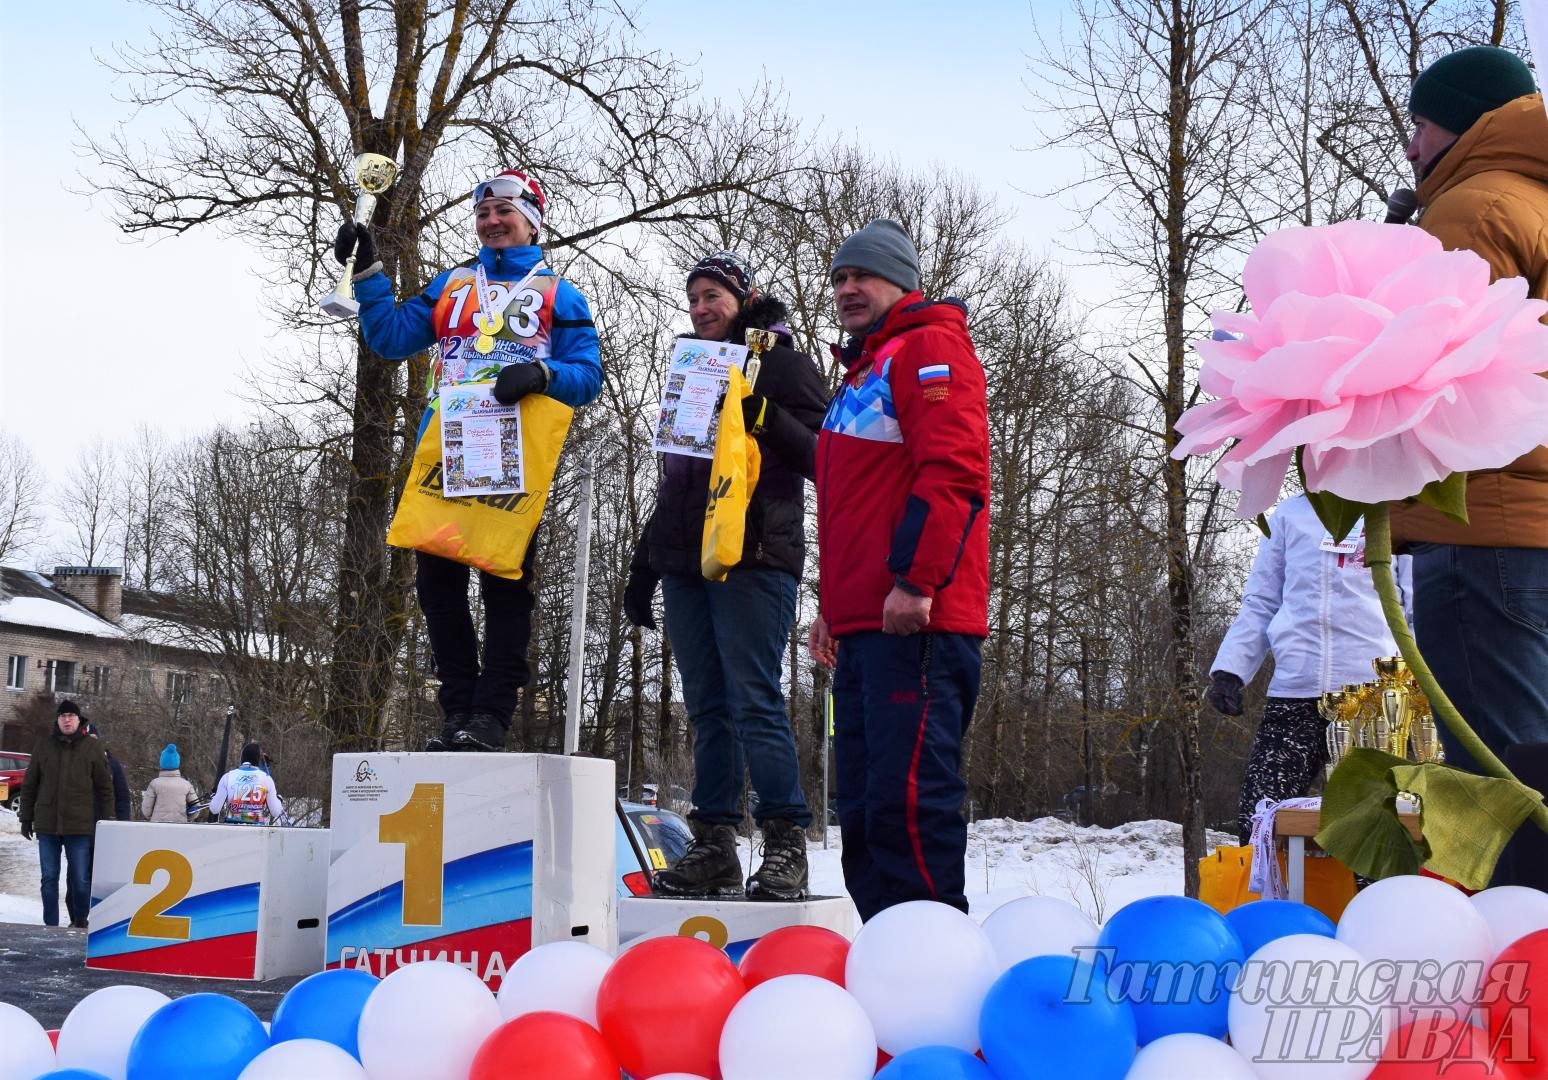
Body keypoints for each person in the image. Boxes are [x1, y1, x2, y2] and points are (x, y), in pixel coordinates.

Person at [339, 168, 602, 753]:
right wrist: (367, 274)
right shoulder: (454, 283)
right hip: (446, 451)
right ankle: (457, 711)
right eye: (482, 213)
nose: (491, 221)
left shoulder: (561, 292)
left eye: (504, 210)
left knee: (505, 587)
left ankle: (492, 715)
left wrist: (541, 372)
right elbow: (389, 337)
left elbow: (589, 378)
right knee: (438, 591)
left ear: (533, 218)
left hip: (514, 458)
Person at [623, 251, 827, 900]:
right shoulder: (692, 369)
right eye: (694, 299)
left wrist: (761, 413)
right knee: (707, 708)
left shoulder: (782, 362)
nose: (702, 308)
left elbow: (828, 455)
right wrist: (643, 565)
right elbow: (674, 480)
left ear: (745, 297)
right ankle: (713, 845)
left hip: (756, 555)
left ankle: (786, 844)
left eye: (714, 295)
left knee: (755, 699)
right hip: (685, 560)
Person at [1394, 46, 1548, 887]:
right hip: (1530, 524)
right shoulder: (1535, 200)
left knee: (1498, 773)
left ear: (1466, 123)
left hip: (1480, 517)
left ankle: (1521, 953)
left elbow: (1430, 372)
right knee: (1535, 748)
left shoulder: (1475, 208)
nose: (1411, 146)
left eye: (1420, 124)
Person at [807, 219, 991, 921]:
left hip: (918, 620)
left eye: (864, 276)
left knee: (909, 806)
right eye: (840, 278)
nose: (847, 288)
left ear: (904, 282)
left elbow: (954, 472)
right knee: (861, 811)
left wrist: (917, 582)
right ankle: (889, 966)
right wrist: (832, 608)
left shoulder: (930, 348)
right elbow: (856, 507)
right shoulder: (862, 369)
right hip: (862, 628)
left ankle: (933, 962)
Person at [1207, 495, 1414, 842]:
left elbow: (1413, 603)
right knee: (1259, 816)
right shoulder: (1290, 514)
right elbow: (1262, 600)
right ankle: (1274, 897)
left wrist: (1427, 681)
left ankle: (1374, 897)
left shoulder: (1392, 509)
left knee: (1370, 826)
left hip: (1372, 696)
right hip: (1294, 692)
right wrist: (1231, 670)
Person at [16, 700, 113, 928]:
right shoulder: (43, 746)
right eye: (62, 716)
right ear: (57, 720)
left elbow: (104, 789)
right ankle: (50, 925)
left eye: (71, 716)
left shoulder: (93, 748)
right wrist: (26, 817)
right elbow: (29, 785)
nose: (66, 720)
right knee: (49, 878)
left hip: (79, 826)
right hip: (47, 825)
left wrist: (107, 821)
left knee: (80, 879)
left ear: (79, 720)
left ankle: (80, 920)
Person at [210, 742, 285, 825]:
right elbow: (275, 812)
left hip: (232, 831)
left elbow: (214, 809)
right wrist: (279, 801)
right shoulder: (267, 779)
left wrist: (214, 796)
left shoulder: (228, 776)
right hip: (257, 832)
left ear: (242, 758)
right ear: (258, 759)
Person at [83, 719, 131, 822]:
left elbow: (122, 794)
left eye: (93, 739)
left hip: (105, 819)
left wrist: (123, 821)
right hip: (80, 823)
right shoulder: (76, 763)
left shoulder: (112, 763)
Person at [142, 743, 201, 823]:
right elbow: (196, 808)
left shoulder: (154, 784)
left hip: (157, 827)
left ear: (162, 762)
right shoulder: (186, 785)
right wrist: (187, 818)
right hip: (180, 826)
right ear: (177, 762)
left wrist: (152, 818)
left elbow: (146, 810)